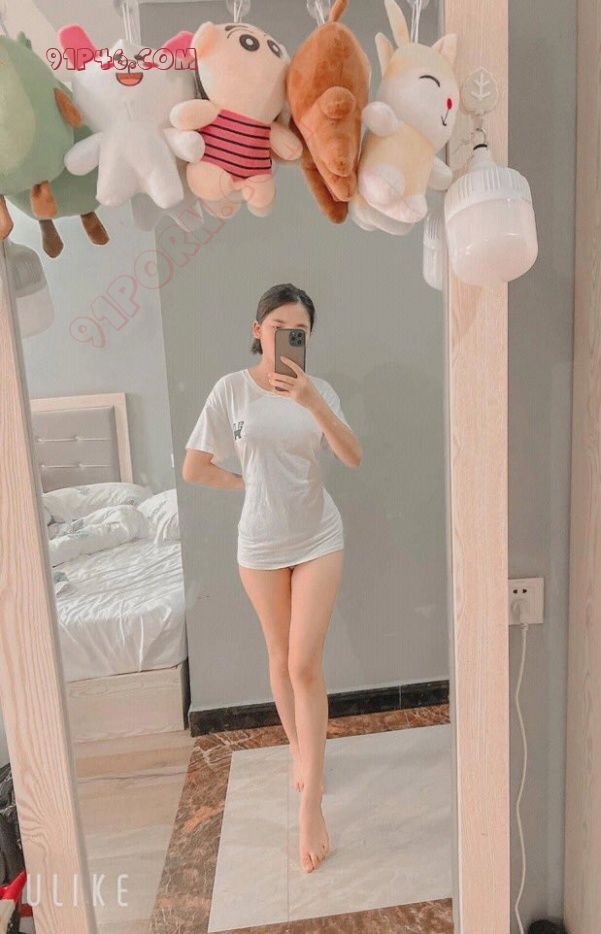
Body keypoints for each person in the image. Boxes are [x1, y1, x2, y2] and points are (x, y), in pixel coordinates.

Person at [182, 283, 362, 873]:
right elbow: (195, 467)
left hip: (318, 537)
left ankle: (311, 804)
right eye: (279, 327)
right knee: (280, 656)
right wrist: (245, 484)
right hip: (259, 545)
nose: (288, 337)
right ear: (257, 329)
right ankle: (300, 752)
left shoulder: (320, 391)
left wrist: (313, 402)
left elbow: (352, 456)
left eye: (299, 331)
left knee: (304, 663)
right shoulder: (230, 391)